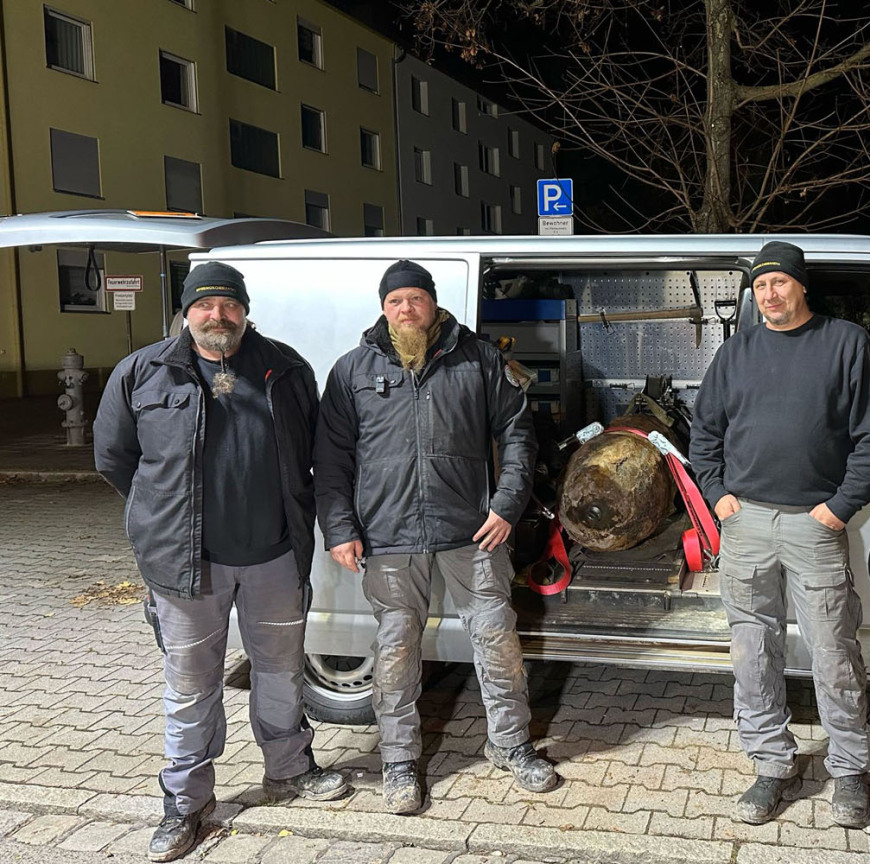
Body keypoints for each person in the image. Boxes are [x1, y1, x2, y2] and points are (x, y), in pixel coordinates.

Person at [94, 263, 350, 862]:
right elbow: (114, 457)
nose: (217, 315)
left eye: (229, 305)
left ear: (244, 310)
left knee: (282, 672)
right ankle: (185, 803)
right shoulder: (143, 372)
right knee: (190, 687)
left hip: (275, 558)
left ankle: (288, 771)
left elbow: (314, 452)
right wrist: (160, 516)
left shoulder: (286, 369)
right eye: (205, 305)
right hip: (186, 565)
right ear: (187, 312)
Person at [314, 259, 555, 815]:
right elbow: (330, 459)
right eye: (396, 300)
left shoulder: (479, 359)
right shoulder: (352, 371)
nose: (406, 309)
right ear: (383, 308)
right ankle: (399, 762)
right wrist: (341, 528)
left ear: (433, 303)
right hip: (389, 535)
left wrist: (506, 506)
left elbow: (518, 436)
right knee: (396, 649)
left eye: (416, 298)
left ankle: (511, 745)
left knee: (496, 636)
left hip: (474, 531)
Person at [689, 240, 870, 828]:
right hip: (746, 521)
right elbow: (704, 428)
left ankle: (851, 770)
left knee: (834, 650)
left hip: (814, 524)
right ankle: (771, 766)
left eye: (779, 283)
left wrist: (839, 508)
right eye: (760, 286)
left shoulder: (845, 343)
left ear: (801, 286)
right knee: (752, 650)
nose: (770, 294)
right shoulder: (737, 352)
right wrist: (718, 495)